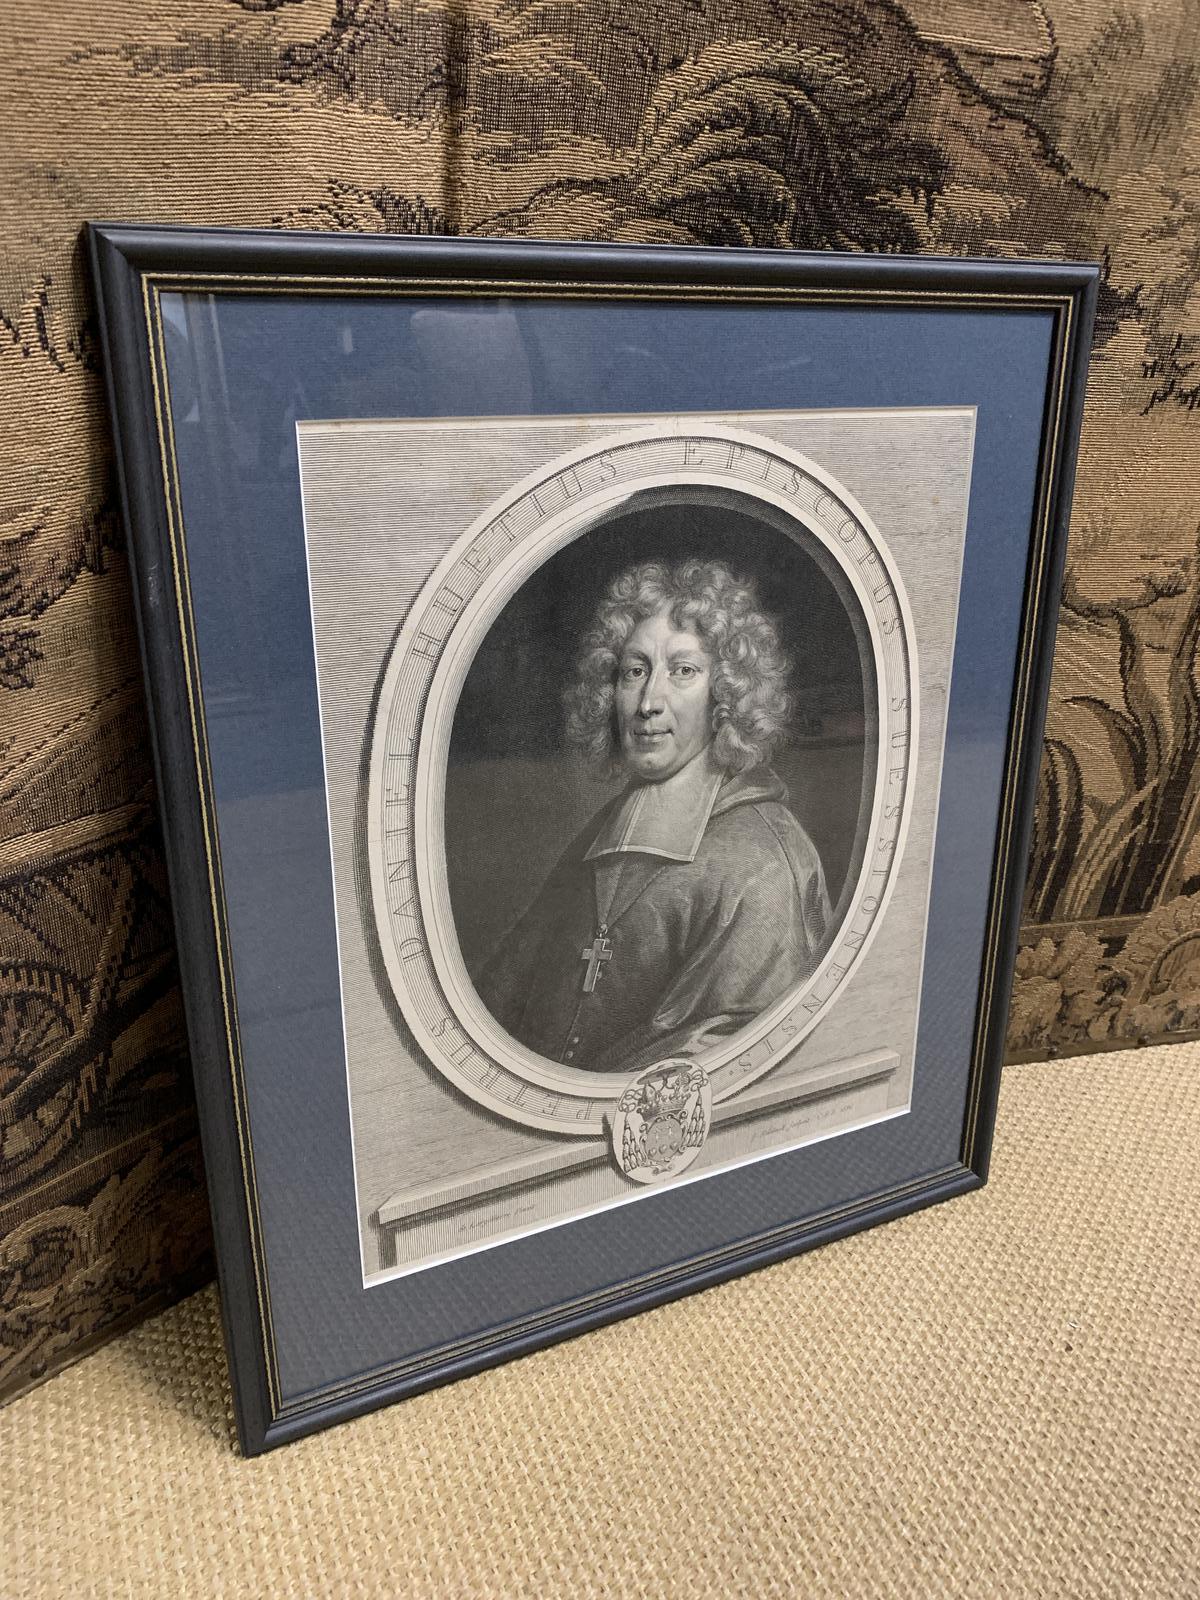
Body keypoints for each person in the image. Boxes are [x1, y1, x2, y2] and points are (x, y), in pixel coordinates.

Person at [473, 559, 831, 1074]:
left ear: (726, 694)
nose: (647, 703)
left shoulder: (764, 863)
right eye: (635, 671)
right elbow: (504, 992)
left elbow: (729, 1053)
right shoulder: (606, 831)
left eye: (683, 671)